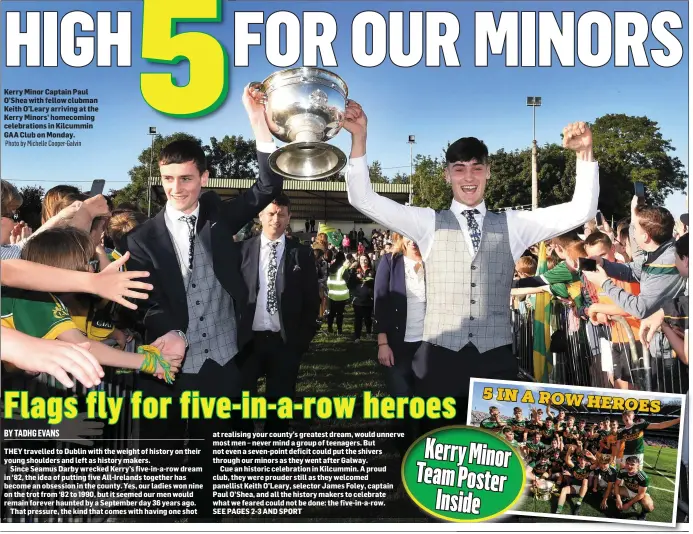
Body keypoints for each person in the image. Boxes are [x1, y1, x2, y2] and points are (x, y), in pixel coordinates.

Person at [342, 100, 599, 426]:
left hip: (495, 360)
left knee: (489, 456)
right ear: (448, 174)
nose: (468, 177)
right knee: (434, 454)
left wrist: (584, 155)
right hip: (438, 360)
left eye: (477, 168)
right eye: (459, 168)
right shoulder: (426, 222)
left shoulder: (515, 224)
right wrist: (360, 138)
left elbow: (580, 211)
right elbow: (362, 198)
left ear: (488, 172)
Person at [120, 84, 283, 520]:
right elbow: (140, 303)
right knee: (169, 464)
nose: (178, 188)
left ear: (204, 177)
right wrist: (166, 330)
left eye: (187, 178)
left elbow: (269, 183)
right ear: (161, 176)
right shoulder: (141, 238)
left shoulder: (216, 214)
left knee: (224, 461)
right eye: (169, 179)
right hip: (171, 369)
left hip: (226, 359)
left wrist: (256, 119)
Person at [236, 194, 319, 432]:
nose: (276, 219)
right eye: (271, 213)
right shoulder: (241, 251)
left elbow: (311, 300)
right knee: (242, 408)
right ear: (260, 216)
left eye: (282, 214)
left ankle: (274, 458)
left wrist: (301, 341)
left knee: (280, 409)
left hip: (285, 343)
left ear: (289, 217)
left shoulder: (301, 254)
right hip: (248, 342)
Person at [584, 199, 686, 320]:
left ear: (645, 237)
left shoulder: (666, 262)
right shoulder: (658, 254)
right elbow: (631, 271)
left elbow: (639, 308)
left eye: (635, 229)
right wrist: (603, 263)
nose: (632, 233)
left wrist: (605, 283)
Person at [615, 410, 680, 467]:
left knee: (637, 475)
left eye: (629, 415)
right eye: (624, 416)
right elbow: (618, 444)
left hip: (638, 454)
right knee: (624, 474)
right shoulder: (621, 431)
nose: (626, 417)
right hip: (626, 454)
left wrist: (678, 420)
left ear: (633, 416)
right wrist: (617, 456)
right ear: (622, 419)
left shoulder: (640, 425)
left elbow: (660, 425)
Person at [615, 456, 655, 520]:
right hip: (628, 490)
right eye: (627, 463)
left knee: (649, 506)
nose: (629, 466)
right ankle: (623, 499)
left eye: (632, 464)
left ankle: (643, 513)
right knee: (612, 491)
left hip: (640, 494)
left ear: (638, 465)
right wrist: (618, 499)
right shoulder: (622, 471)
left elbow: (641, 494)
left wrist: (629, 504)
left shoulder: (643, 477)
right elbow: (616, 484)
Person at [349, 254, 375, 342]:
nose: (364, 262)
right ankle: (357, 336)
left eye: (365, 259)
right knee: (358, 318)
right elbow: (350, 285)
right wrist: (356, 279)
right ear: (359, 261)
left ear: (368, 260)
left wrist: (368, 281)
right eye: (362, 260)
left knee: (368, 318)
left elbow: (375, 284)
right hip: (358, 300)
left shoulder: (372, 271)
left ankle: (368, 332)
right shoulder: (355, 271)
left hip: (368, 299)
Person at [326, 251, 350, 334]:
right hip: (341, 294)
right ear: (343, 259)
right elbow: (347, 279)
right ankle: (339, 329)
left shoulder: (331, 267)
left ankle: (329, 327)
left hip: (331, 293)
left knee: (331, 313)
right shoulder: (342, 269)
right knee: (340, 313)